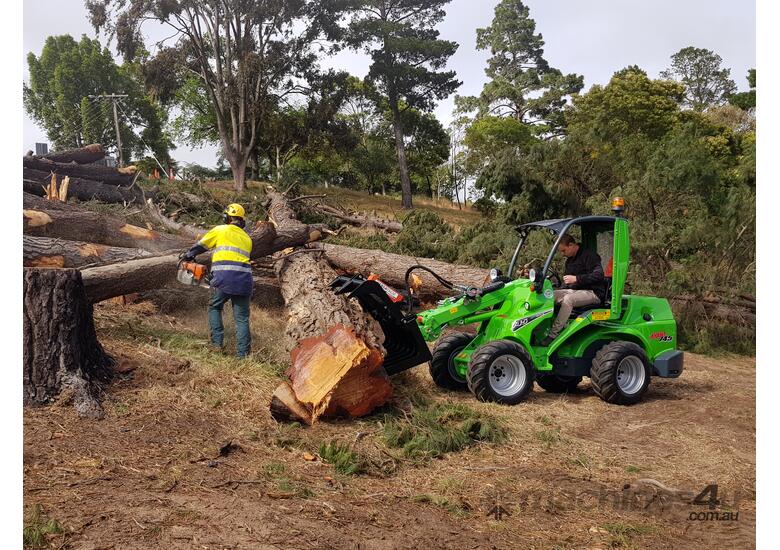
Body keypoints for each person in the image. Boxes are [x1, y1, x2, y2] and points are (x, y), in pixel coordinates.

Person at [181, 203, 253, 357]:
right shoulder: (247, 238)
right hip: (245, 281)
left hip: (224, 278)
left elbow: (202, 246)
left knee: (215, 307)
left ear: (226, 217)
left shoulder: (221, 229)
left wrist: (188, 255)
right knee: (242, 318)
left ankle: (217, 345)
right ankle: (243, 355)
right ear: (242, 221)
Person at [541, 234, 606, 346]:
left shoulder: (589, 256)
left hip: (593, 293)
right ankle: (537, 331)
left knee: (568, 299)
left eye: (564, 251)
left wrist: (576, 278)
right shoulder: (570, 261)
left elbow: (599, 275)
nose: (562, 254)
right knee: (548, 295)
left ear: (571, 245)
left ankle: (553, 335)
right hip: (576, 291)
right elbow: (568, 284)